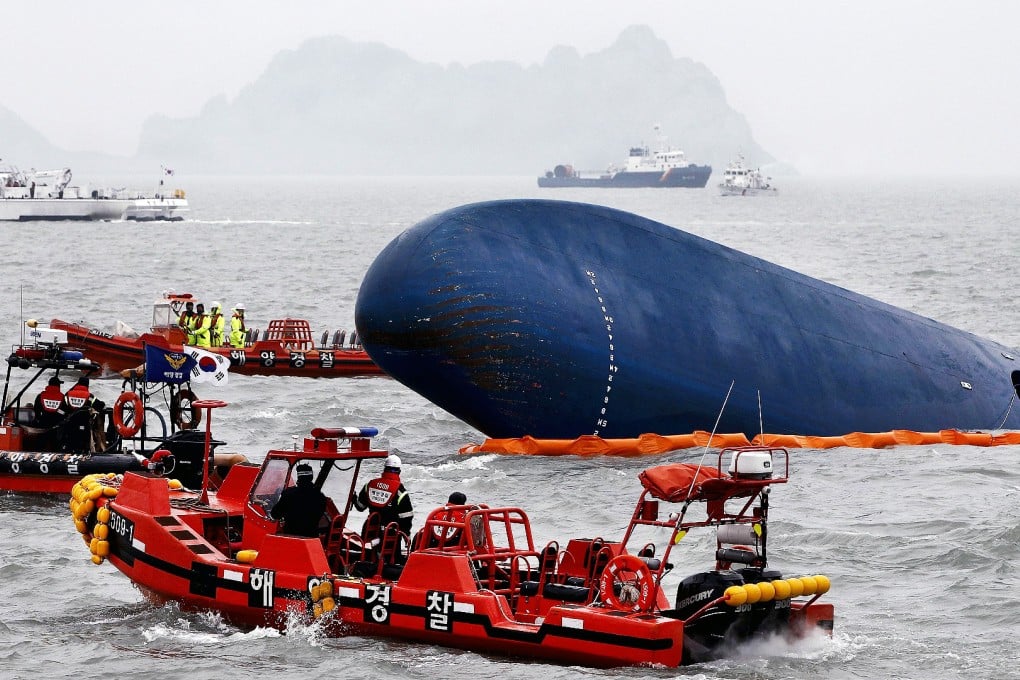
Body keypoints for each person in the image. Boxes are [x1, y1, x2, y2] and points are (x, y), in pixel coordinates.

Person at [353, 454, 414, 541]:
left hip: (369, 533)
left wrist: (354, 499)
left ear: (384, 469)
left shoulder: (370, 485)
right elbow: (406, 518)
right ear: (399, 471)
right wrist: (407, 535)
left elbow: (360, 507)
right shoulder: (400, 491)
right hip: (390, 538)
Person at [270, 463, 328, 538]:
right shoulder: (321, 497)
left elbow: (275, 514)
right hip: (312, 539)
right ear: (311, 477)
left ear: (299, 477)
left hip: (291, 537)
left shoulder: (289, 494)